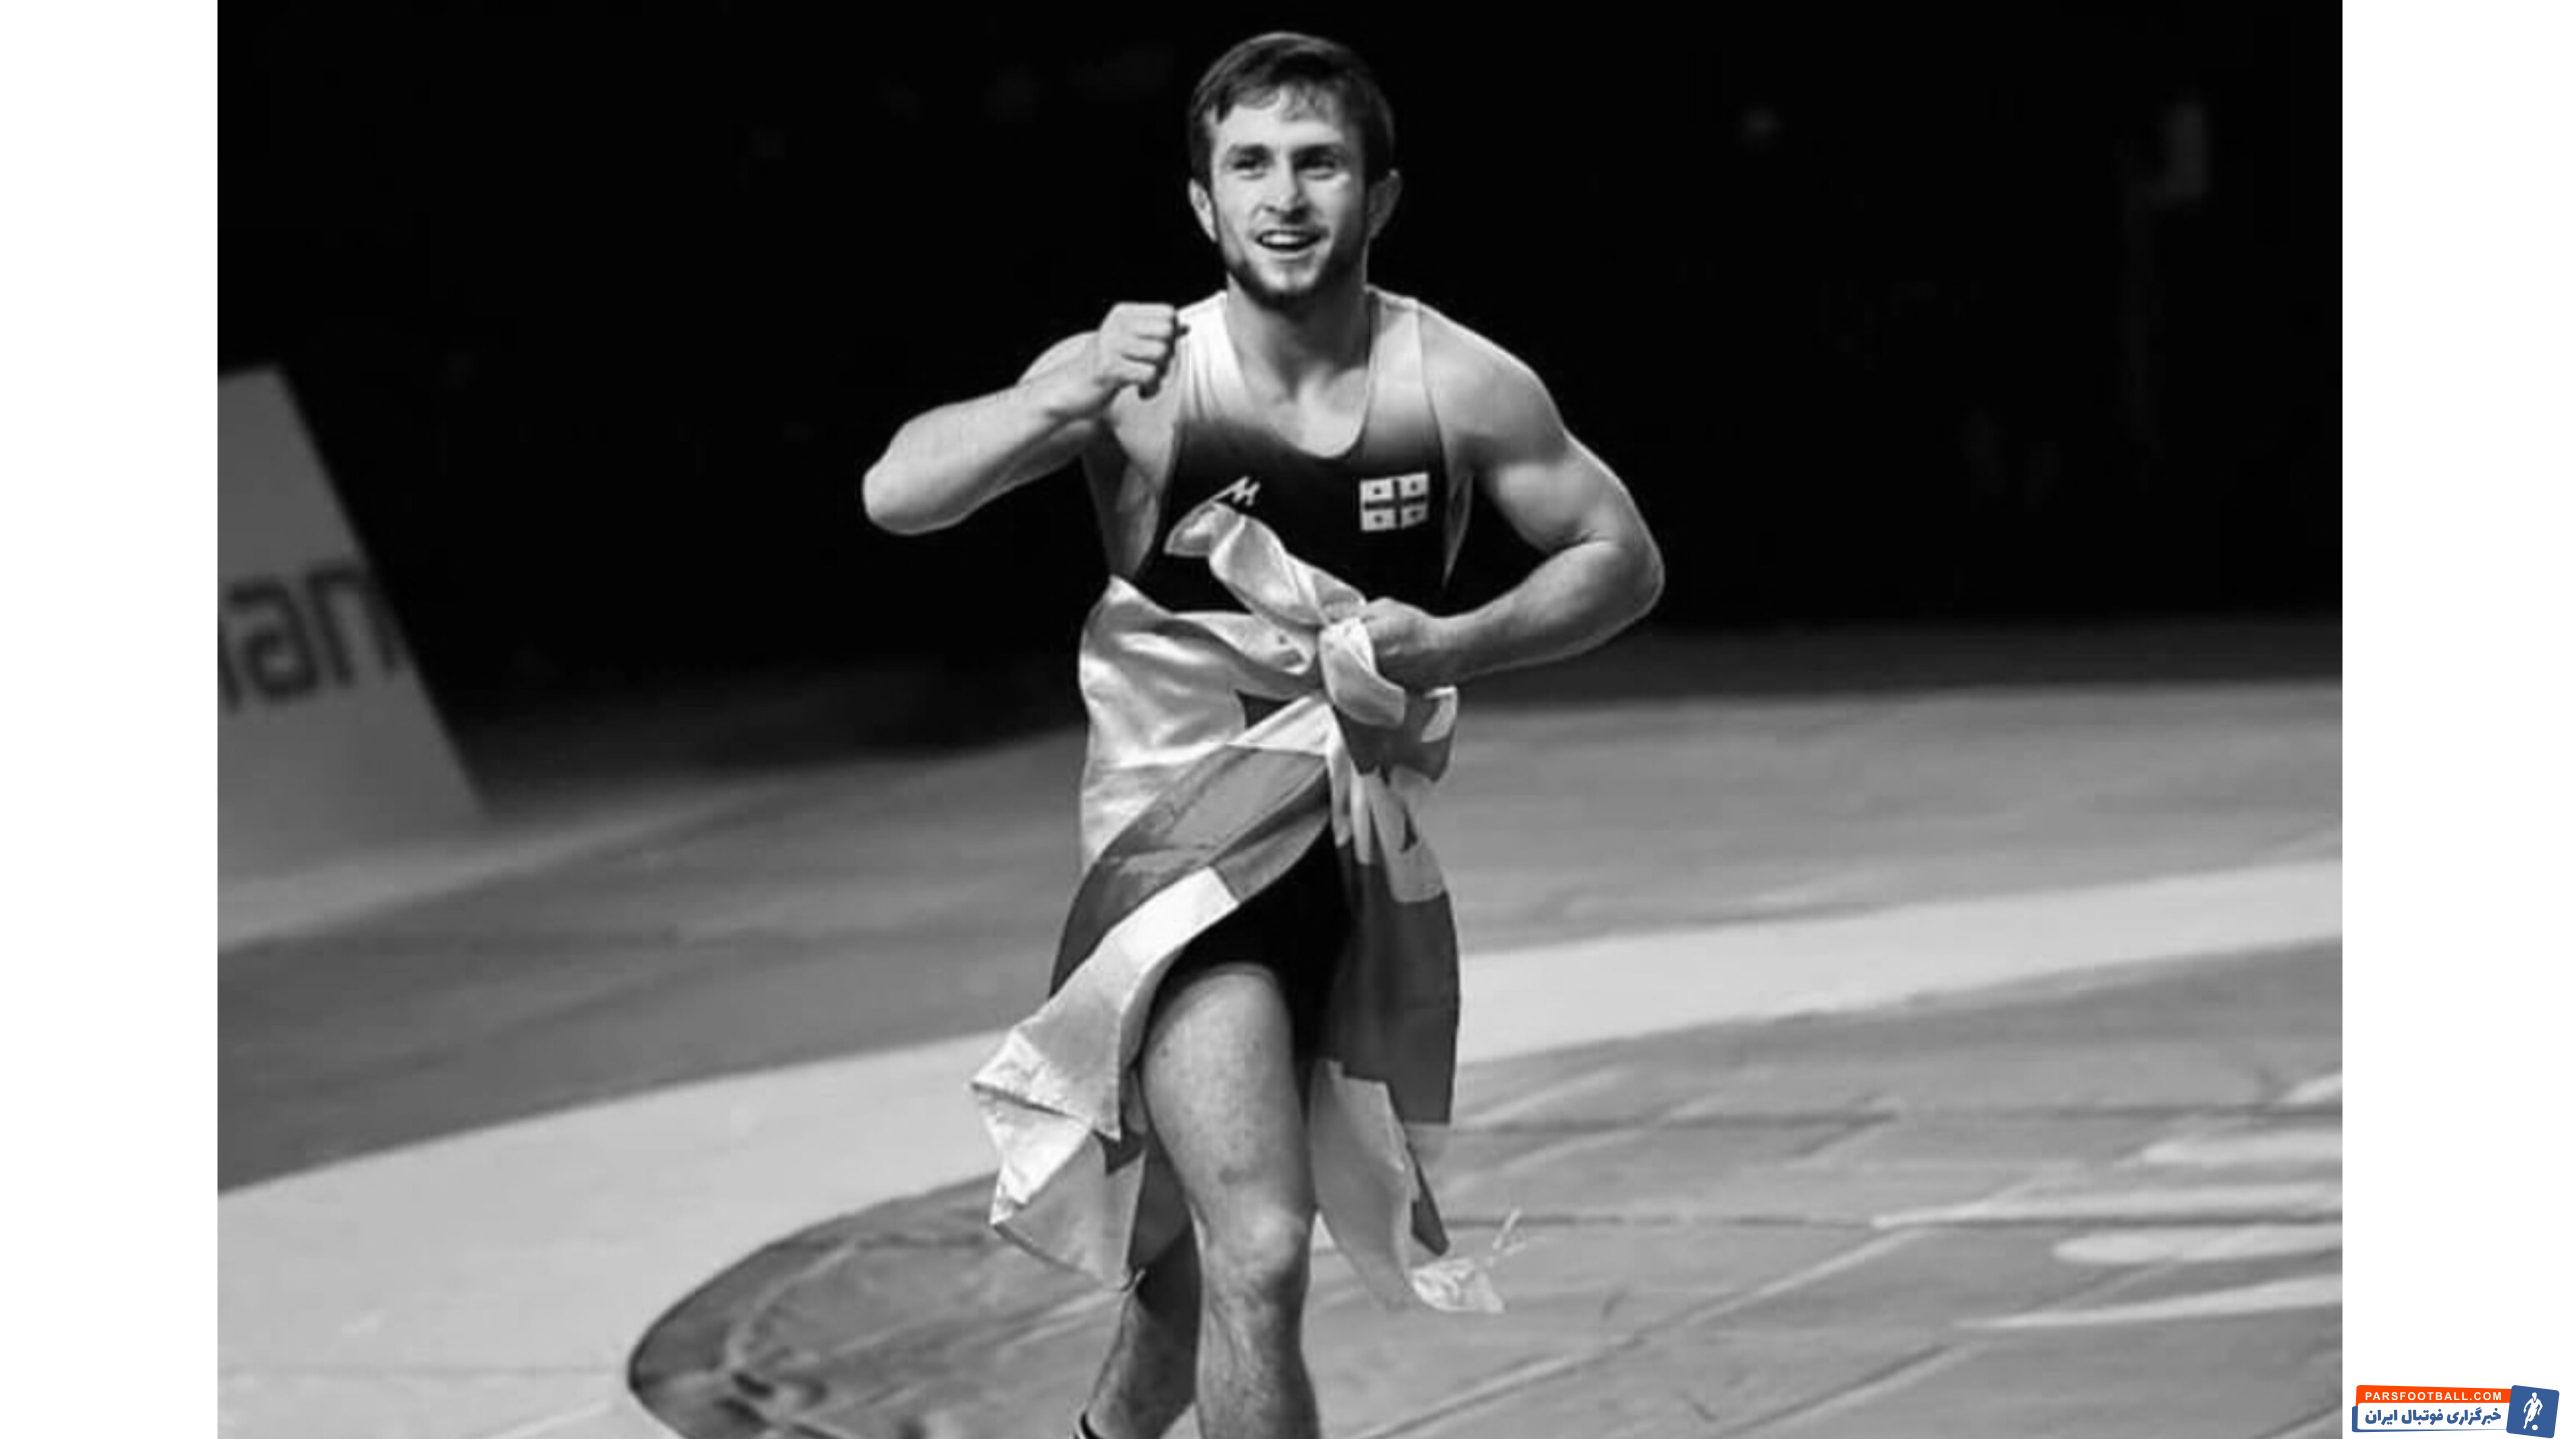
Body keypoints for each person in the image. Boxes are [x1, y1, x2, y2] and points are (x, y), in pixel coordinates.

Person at [864, 32, 1662, 1439]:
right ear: (1202, 202)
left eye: (1318, 164)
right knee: (1265, 1245)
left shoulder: (1457, 378)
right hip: (1179, 862)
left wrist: (1455, 643)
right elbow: (897, 494)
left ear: (1381, 194)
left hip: (1349, 858)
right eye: (1250, 166)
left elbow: (1622, 559)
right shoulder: (1145, 375)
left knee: (1196, 1271)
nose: (1284, 198)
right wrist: (1056, 392)